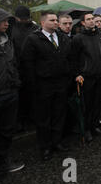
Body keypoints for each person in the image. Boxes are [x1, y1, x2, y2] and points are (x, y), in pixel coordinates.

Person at [21, 11, 72, 160]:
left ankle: (57, 141)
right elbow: (28, 64)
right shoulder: (33, 39)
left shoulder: (62, 38)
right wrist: (33, 85)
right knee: (44, 117)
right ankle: (45, 146)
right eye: (52, 20)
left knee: (59, 114)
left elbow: (68, 58)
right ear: (43, 23)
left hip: (61, 83)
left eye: (56, 20)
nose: (56, 22)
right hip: (43, 85)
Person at [70, 13, 101, 142]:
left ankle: (95, 126)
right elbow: (74, 58)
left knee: (98, 103)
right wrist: (77, 73)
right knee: (87, 105)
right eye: (88, 19)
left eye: (92, 19)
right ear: (83, 22)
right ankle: (87, 129)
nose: (91, 21)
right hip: (87, 77)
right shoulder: (78, 38)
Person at [0, 8, 25, 175]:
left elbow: (13, 63)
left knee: (7, 131)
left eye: (9, 21)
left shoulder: (8, 41)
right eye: (3, 21)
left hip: (10, 92)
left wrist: (16, 82)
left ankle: (3, 162)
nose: (7, 24)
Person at [10, 5, 40, 132]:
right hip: (17, 68)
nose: (23, 20)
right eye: (21, 18)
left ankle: (32, 118)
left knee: (33, 95)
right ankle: (20, 121)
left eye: (25, 18)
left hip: (33, 68)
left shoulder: (35, 29)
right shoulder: (11, 29)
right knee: (20, 97)